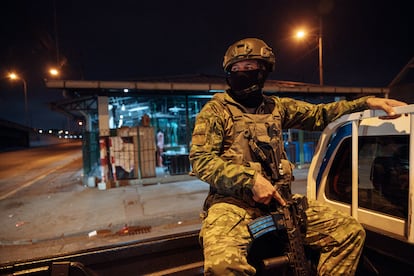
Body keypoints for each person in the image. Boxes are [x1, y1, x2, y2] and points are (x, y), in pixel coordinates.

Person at [189, 37, 407, 275]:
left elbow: (320, 114)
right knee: (223, 265)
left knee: (348, 233)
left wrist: (365, 103)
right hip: (232, 204)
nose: (241, 73)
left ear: (263, 72)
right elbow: (201, 160)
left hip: (280, 201)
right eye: (235, 69)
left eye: (249, 68)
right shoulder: (216, 110)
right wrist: (250, 180)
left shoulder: (276, 107)